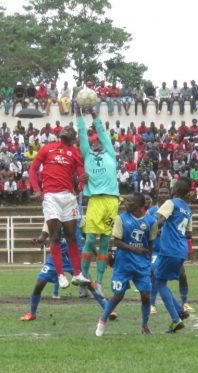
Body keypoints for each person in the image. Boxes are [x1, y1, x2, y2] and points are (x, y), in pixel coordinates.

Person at [29, 125, 89, 289]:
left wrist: (82, 182)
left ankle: (77, 274)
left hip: (69, 197)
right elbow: (33, 169)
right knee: (55, 236)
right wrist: (36, 189)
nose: (66, 129)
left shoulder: (75, 153)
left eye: (70, 129)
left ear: (73, 137)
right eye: (65, 128)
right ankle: (61, 275)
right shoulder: (47, 149)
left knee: (71, 237)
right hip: (51, 197)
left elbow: (81, 175)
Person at [20, 222, 117, 321]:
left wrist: (97, 255)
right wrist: (40, 240)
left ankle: (108, 310)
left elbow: (89, 239)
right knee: (39, 284)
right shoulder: (52, 215)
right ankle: (32, 313)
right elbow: (44, 234)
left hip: (74, 258)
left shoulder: (78, 217)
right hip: (56, 257)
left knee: (89, 284)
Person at [95, 193, 157, 336]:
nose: (125, 203)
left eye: (129, 201)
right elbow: (116, 242)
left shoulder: (151, 222)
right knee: (118, 296)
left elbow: (151, 243)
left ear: (139, 205)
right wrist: (136, 249)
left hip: (141, 264)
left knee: (146, 296)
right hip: (123, 263)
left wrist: (148, 263)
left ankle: (145, 325)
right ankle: (102, 320)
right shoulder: (121, 219)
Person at [75, 100, 120, 297]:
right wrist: (78, 114)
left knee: (105, 242)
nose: (95, 141)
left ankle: (99, 281)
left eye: (98, 139)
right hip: (95, 200)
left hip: (111, 201)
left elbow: (102, 131)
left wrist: (94, 114)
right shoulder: (87, 154)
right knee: (90, 239)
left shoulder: (111, 152)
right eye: (93, 140)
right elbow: (82, 133)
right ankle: (84, 279)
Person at [154, 177, 193, 333]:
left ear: (175, 189)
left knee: (159, 283)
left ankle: (176, 320)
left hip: (170, 249)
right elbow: (189, 233)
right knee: (161, 280)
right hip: (182, 249)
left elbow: (160, 220)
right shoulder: (187, 209)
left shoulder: (170, 203)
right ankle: (180, 310)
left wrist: (150, 230)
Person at [146, 196, 194, 315]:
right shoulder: (152, 211)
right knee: (155, 274)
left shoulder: (173, 207)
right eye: (161, 192)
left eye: (166, 192)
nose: (163, 194)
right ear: (157, 194)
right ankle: (152, 304)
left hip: (170, 249)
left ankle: (183, 304)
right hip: (158, 251)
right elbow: (149, 226)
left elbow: (188, 234)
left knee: (180, 275)